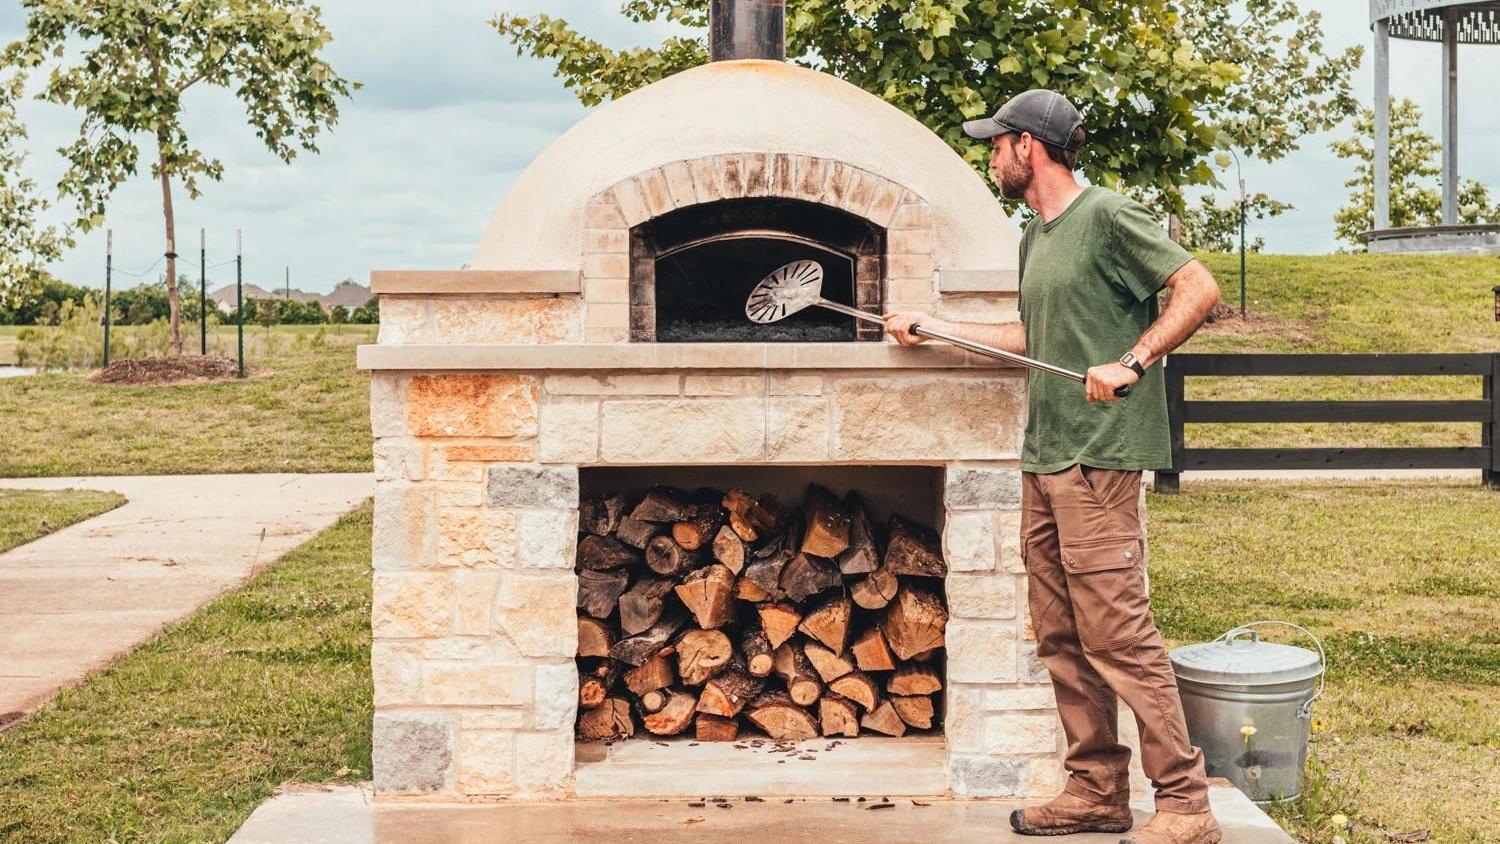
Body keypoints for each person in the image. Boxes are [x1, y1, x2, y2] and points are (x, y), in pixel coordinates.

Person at [884, 90, 1223, 844]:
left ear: (1028, 147)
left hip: (1099, 456)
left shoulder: (1107, 216)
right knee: (1061, 633)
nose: (990, 157)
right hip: (1045, 456)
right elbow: (1031, 334)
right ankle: (1096, 790)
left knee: (1118, 633)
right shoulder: (1036, 237)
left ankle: (1185, 803)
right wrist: (937, 327)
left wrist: (1133, 359)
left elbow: (1198, 287)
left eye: (996, 144)